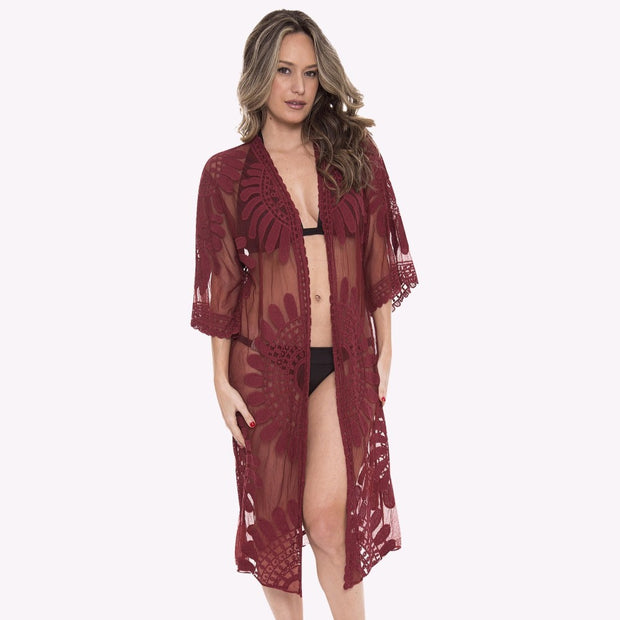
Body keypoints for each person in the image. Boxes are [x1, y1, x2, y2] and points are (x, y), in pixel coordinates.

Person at [190, 9, 418, 620]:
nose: (298, 87)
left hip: (344, 358)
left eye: (311, 73)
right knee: (276, 527)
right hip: (263, 366)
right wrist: (219, 380)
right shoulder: (226, 173)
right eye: (284, 71)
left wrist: (386, 347)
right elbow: (220, 284)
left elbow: (379, 254)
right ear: (258, 76)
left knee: (326, 518)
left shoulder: (353, 155)